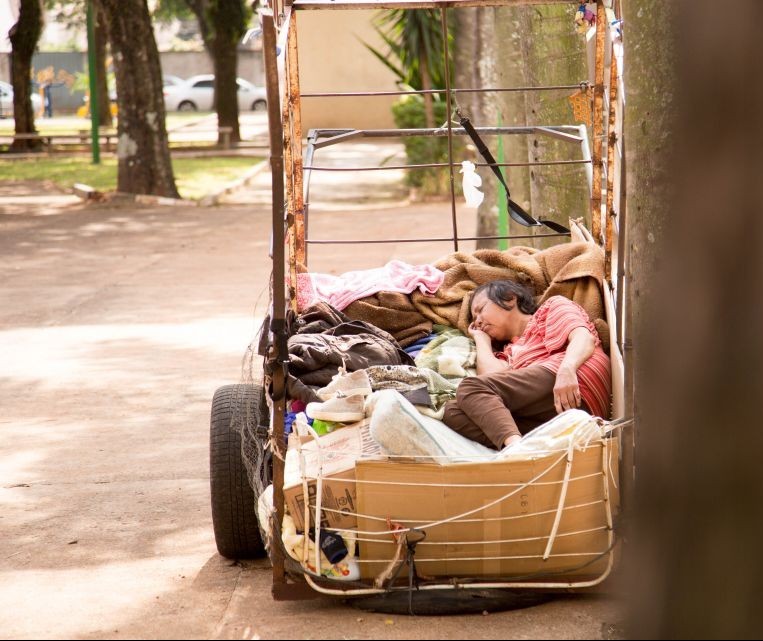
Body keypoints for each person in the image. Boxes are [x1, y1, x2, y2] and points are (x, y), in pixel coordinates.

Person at [442, 280, 611, 450]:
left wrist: (567, 369)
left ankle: (516, 449)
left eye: (480, 310)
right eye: (474, 318)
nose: (477, 321)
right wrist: (481, 339)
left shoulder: (551, 307)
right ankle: (523, 445)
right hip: (555, 413)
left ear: (510, 298)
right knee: (451, 412)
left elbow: (584, 338)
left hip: (577, 379)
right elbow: (488, 383)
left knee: (468, 387)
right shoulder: (507, 353)